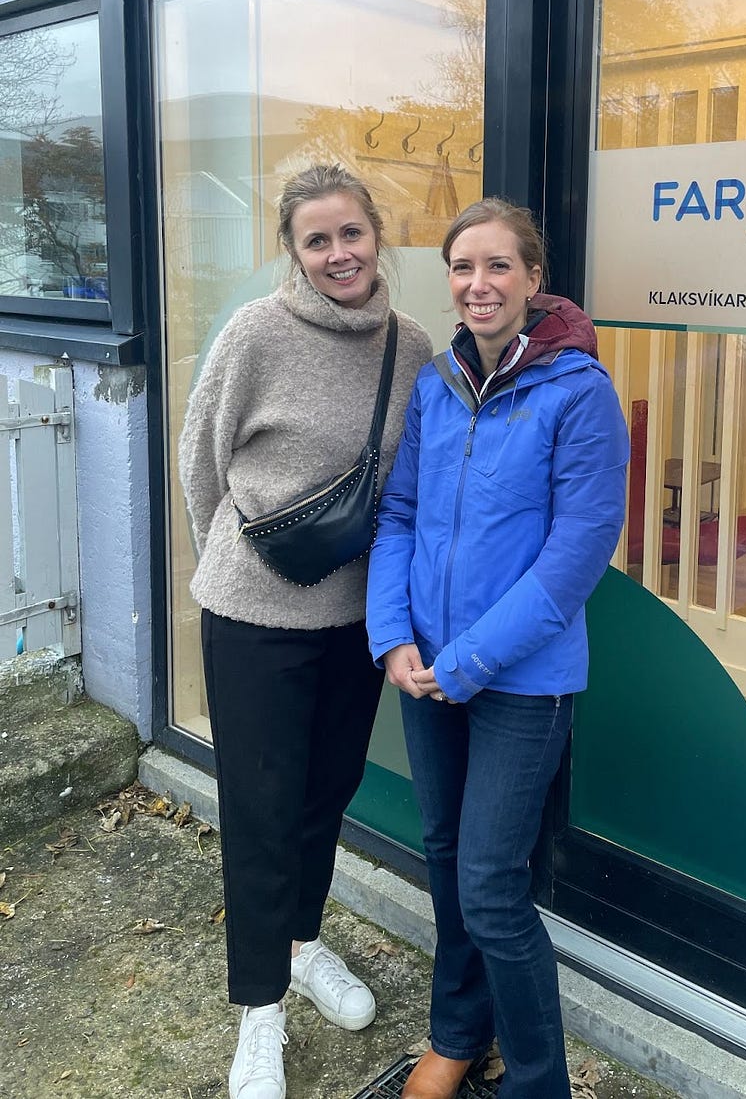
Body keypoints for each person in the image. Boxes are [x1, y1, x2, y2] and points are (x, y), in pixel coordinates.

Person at [367, 199, 630, 1099]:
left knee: (489, 883)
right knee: (444, 856)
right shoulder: (438, 383)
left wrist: (471, 657)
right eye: (462, 267)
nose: (478, 284)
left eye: (498, 267)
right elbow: (398, 514)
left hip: (521, 680)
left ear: (532, 280)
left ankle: (537, 1081)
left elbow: (575, 558)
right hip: (426, 669)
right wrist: (391, 634)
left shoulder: (578, 391)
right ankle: (455, 1034)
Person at [179, 164, 432, 1099]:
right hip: (254, 610)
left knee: (329, 787)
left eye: (351, 235)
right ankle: (260, 1009)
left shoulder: (410, 347)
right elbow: (200, 458)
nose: (338, 254)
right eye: (316, 240)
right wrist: (233, 558)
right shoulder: (255, 332)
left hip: (354, 616)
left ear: (378, 238)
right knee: (260, 805)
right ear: (293, 251)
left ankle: (305, 941)